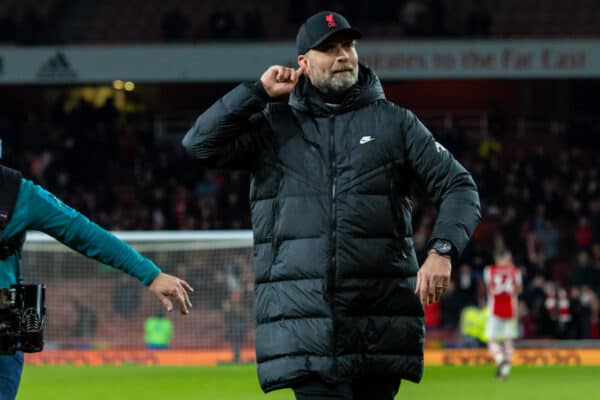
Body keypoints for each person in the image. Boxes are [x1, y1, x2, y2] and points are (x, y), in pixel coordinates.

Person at [182, 10, 480, 399]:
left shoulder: (396, 123)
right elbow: (199, 145)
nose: (343, 55)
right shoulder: (274, 126)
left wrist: (443, 250)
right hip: (304, 329)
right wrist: (255, 92)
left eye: (348, 45)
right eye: (329, 49)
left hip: (379, 323)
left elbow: (459, 186)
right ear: (303, 63)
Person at [0, 164, 193, 400]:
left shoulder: (17, 192)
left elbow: (83, 232)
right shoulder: (16, 193)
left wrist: (150, 274)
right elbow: (82, 231)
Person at [483, 249, 522, 380]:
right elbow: (518, 289)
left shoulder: (488, 271)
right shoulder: (515, 271)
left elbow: (488, 287)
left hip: (494, 309)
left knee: (492, 339)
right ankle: (505, 370)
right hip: (511, 309)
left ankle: (500, 360)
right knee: (508, 341)